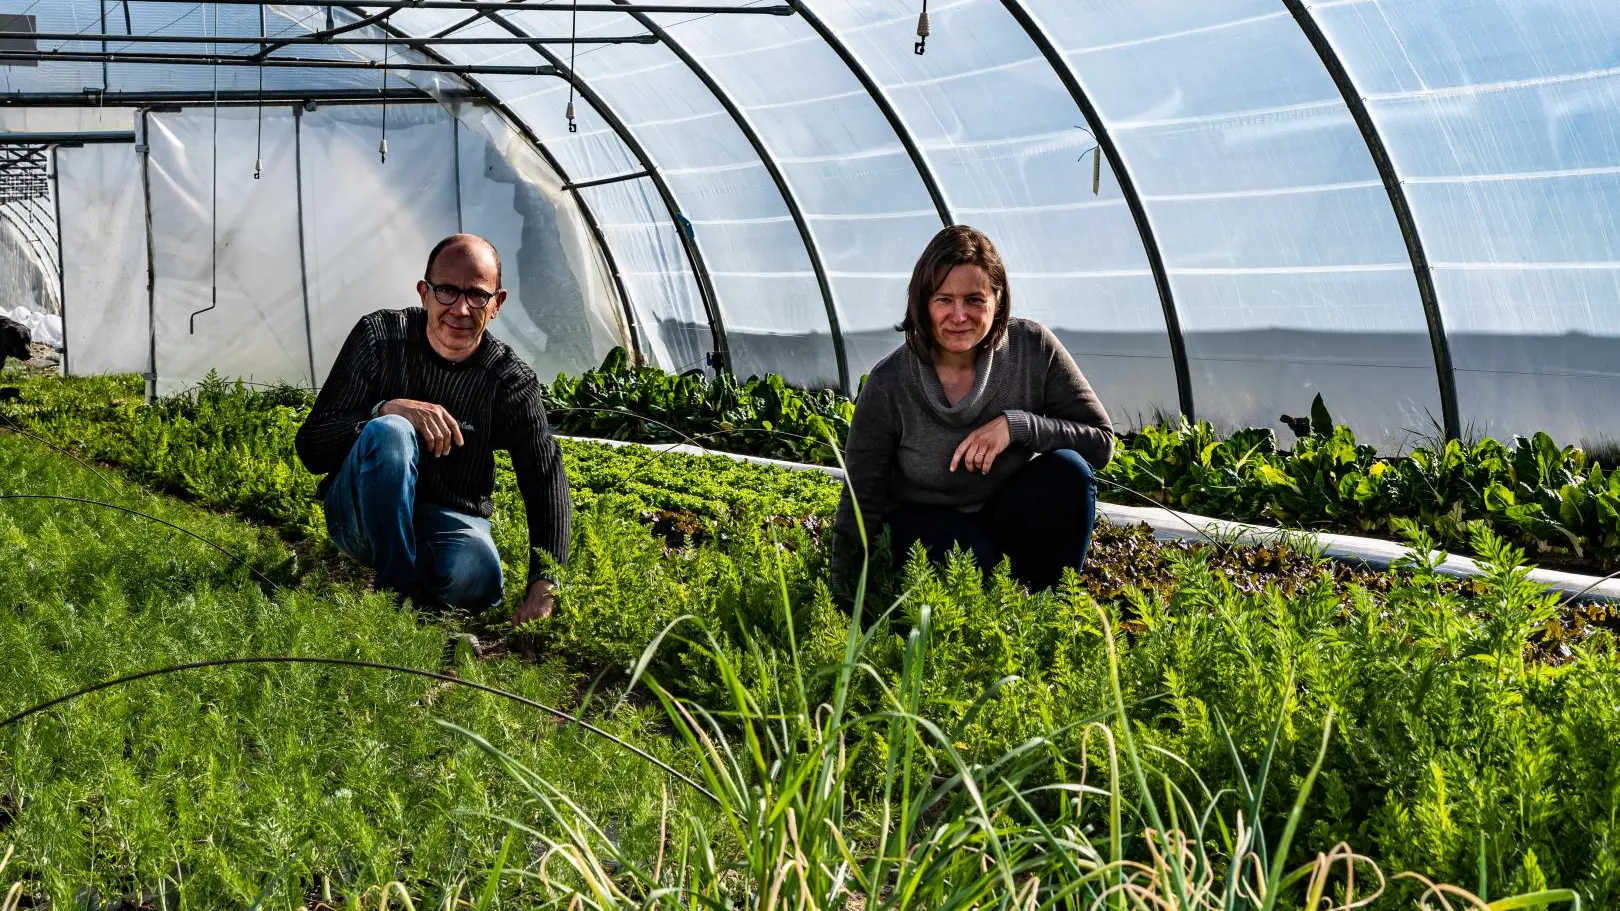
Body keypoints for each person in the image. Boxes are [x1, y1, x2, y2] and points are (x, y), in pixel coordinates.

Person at [295, 234, 571, 625]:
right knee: (391, 430)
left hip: (446, 517)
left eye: (476, 295)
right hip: (358, 518)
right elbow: (311, 448)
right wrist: (384, 409)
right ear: (424, 293)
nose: (459, 309)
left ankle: (417, 583)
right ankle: (396, 591)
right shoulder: (380, 338)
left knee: (478, 577)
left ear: (497, 304)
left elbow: (544, 479)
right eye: (446, 291)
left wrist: (546, 582)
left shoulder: (508, 381)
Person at [833, 225, 1114, 593]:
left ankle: (1047, 607)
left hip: (1000, 512)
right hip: (920, 525)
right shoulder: (890, 384)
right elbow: (861, 499)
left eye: (974, 300)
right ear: (922, 303)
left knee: (1069, 474)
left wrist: (1017, 427)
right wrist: (842, 602)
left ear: (997, 301)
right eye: (943, 300)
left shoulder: (1033, 349)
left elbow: (1100, 442)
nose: (959, 316)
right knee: (972, 560)